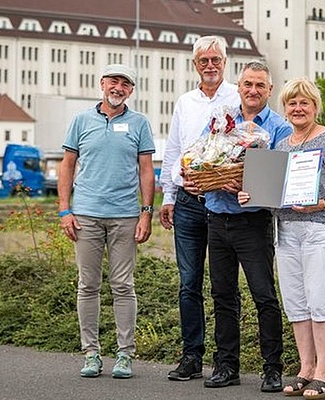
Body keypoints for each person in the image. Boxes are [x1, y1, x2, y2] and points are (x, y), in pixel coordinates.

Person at [239, 78, 325, 400]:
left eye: (304, 103)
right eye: (292, 103)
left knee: (320, 299)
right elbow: (275, 195)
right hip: (287, 232)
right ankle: (305, 369)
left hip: (322, 228)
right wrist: (251, 195)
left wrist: (322, 202)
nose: (297, 108)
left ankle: (324, 371)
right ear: (285, 108)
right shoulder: (282, 147)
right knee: (296, 303)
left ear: (315, 106)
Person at [185, 61, 291, 392]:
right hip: (217, 217)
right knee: (222, 295)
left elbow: (279, 178)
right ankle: (226, 365)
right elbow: (201, 157)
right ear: (239, 86)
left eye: (260, 85)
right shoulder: (221, 121)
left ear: (269, 90)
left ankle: (272, 368)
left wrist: (245, 180)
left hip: (253, 222)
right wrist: (203, 176)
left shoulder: (279, 128)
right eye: (248, 84)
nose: (253, 90)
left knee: (264, 296)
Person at [57, 64, 155, 379]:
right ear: (102, 84)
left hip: (125, 216)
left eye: (126, 84)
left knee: (123, 285)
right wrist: (64, 209)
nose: (119, 87)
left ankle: (125, 355)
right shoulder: (80, 121)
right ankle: (91, 353)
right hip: (85, 214)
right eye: (114, 81)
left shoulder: (139, 123)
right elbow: (67, 166)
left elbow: (146, 171)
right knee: (88, 285)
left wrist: (146, 212)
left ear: (131, 91)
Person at [159, 36, 240, 381]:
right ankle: (191, 355)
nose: (210, 65)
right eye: (203, 60)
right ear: (195, 65)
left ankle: (227, 362)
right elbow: (174, 150)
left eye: (215, 59)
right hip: (189, 204)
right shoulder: (185, 102)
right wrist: (169, 194)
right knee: (188, 282)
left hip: (223, 204)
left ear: (225, 62)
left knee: (225, 286)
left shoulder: (237, 97)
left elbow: (244, 144)